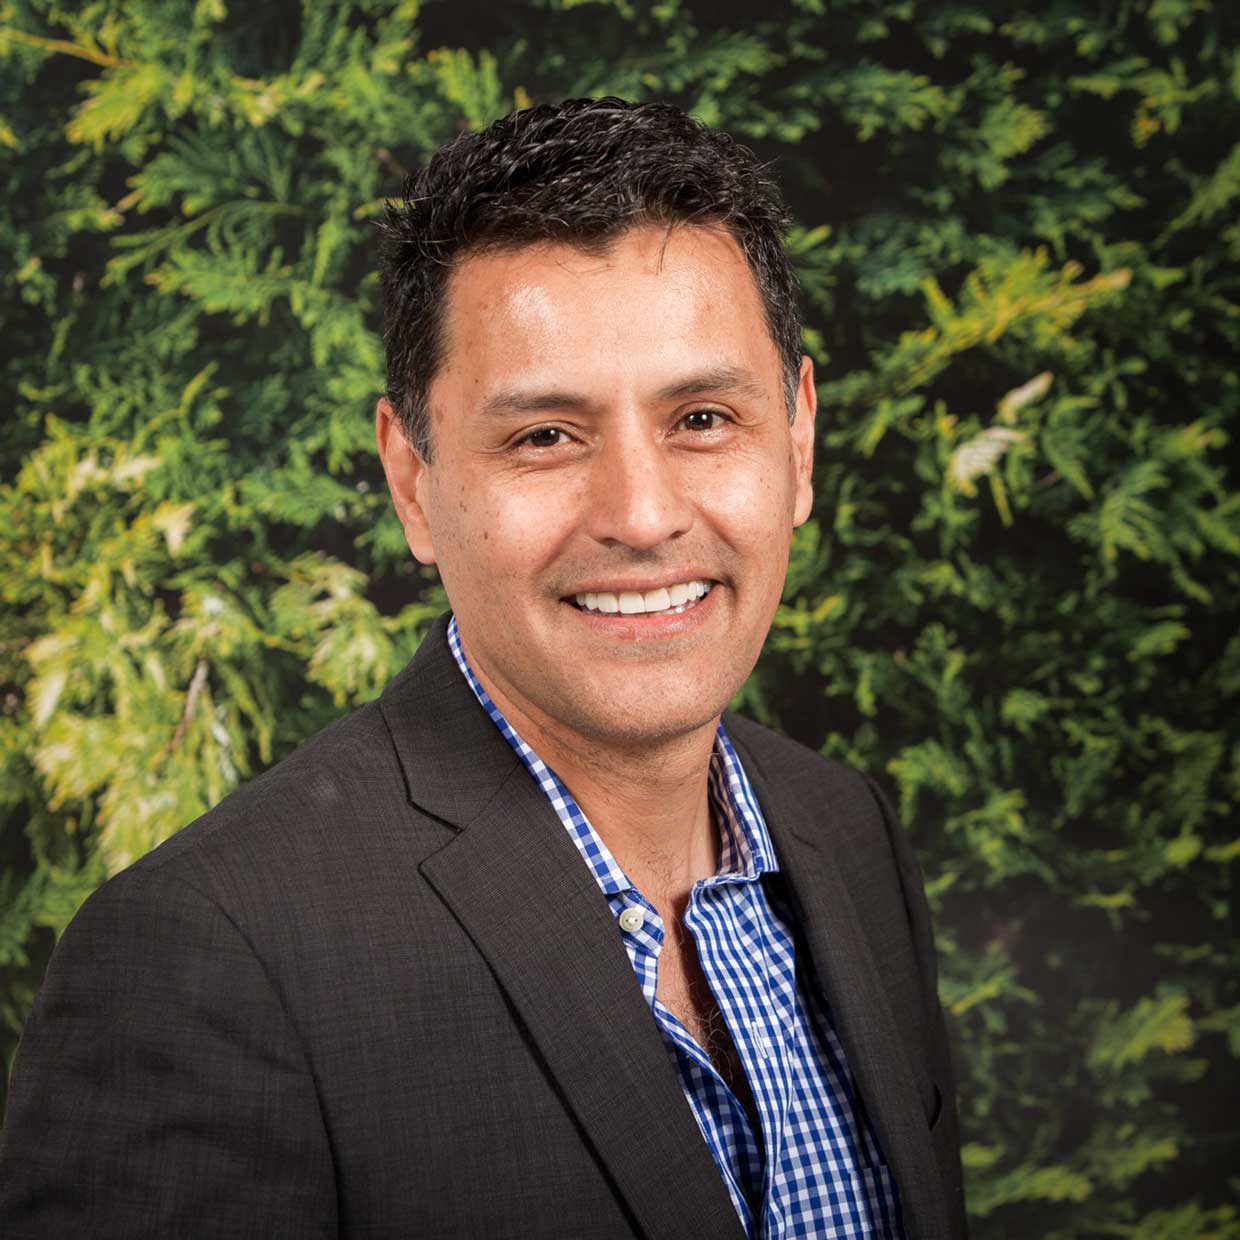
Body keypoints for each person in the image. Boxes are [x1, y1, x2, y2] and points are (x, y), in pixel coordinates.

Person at [0, 97, 967, 1239]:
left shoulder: (846, 835)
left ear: (796, 441)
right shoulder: (207, 962)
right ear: (412, 480)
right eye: (544, 436)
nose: (642, 515)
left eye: (703, 418)